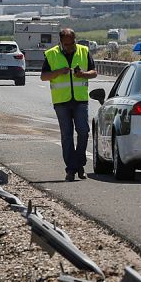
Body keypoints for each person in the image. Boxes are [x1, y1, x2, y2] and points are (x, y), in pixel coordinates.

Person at [41, 28, 98, 181]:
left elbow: (94, 72)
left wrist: (83, 74)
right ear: (61, 42)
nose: (69, 47)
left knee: (84, 132)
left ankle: (79, 163)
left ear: (75, 40)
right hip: (61, 101)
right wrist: (59, 72)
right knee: (67, 136)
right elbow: (43, 76)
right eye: (66, 44)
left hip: (80, 100)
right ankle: (71, 169)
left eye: (72, 43)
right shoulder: (51, 54)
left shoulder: (84, 51)